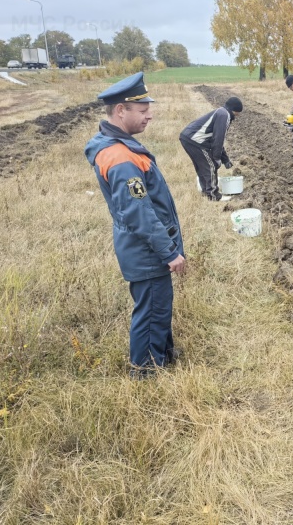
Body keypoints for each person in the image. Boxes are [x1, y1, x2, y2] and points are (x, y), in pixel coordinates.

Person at [84, 72, 186, 377]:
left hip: (143, 248)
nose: (149, 116)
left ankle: (163, 356)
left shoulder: (121, 148)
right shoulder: (119, 157)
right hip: (146, 252)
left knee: (157, 306)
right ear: (120, 111)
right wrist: (169, 252)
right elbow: (139, 213)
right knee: (151, 310)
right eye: (142, 111)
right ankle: (144, 372)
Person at [179, 97, 243, 201]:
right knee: (211, 166)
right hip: (196, 141)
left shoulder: (221, 112)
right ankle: (214, 196)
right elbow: (218, 139)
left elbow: (217, 140)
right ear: (234, 110)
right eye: (238, 113)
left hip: (187, 138)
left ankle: (206, 191)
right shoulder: (225, 115)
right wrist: (217, 158)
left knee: (202, 165)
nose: (238, 115)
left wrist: (225, 160)